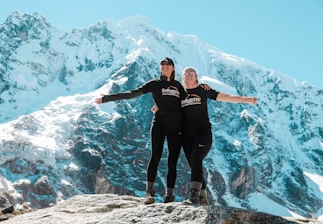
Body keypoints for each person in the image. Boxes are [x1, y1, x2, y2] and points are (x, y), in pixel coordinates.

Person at [94, 57, 187, 204]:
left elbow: (186, 104)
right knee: (155, 156)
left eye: (167, 65)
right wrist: (107, 98)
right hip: (159, 124)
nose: (164, 67)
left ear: (173, 68)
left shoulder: (178, 86)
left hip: (176, 126)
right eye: (162, 65)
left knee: (173, 160)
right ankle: (149, 193)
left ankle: (169, 195)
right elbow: (132, 93)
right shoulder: (155, 84)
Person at [180, 66, 258, 205]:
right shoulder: (179, 93)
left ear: (196, 77)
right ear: (183, 77)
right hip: (186, 136)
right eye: (186, 73)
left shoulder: (203, 90)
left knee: (196, 158)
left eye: (192, 73)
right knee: (194, 164)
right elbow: (168, 105)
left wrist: (247, 100)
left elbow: (225, 97)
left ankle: (194, 195)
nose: (189, 75)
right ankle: (203, 197)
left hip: (203, 134)